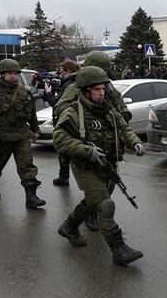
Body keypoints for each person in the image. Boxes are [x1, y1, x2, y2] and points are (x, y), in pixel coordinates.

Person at [53, 66, 146, 266]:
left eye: (103, 89)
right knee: (105, 204)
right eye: (96, 90)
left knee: (92, 202)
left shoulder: (108, 110)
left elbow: (123, 129)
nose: (101, 93)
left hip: (107, 165)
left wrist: (135, 142)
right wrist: (88, 151)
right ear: (86, 91)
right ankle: (119, 250)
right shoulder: (73, 112)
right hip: (85, 166)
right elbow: (59, 139)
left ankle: (69, 227)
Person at [54, 50, 133, 231]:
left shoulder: (109, 89)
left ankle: (71, 225)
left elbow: (123, 112)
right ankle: (93, 216)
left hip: (108, 144)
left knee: (108, 187)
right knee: (100, 195)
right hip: (86, 143)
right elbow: (62, 110)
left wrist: (113, 100)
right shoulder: (77, 87)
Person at [0, 59, 45, 209]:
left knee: (27, 165)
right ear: (2, 74)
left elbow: (31, 112)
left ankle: (31, 196)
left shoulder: (24, 91)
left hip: (21, 134)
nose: (13, 76)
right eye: (10, 73)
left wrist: (35, 130)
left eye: (15, 73)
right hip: (1, 135)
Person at [44, 60, 80, 188]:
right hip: (73, 119)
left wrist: (48, 92)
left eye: (62, 71)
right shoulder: (77, 81)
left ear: (68, 71)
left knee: (63, 149)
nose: (60, 74)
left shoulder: (69, 84)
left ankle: (64, 177)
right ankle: (64, 176)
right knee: (67, 149)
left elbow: (56, 103)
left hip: (66, 120)